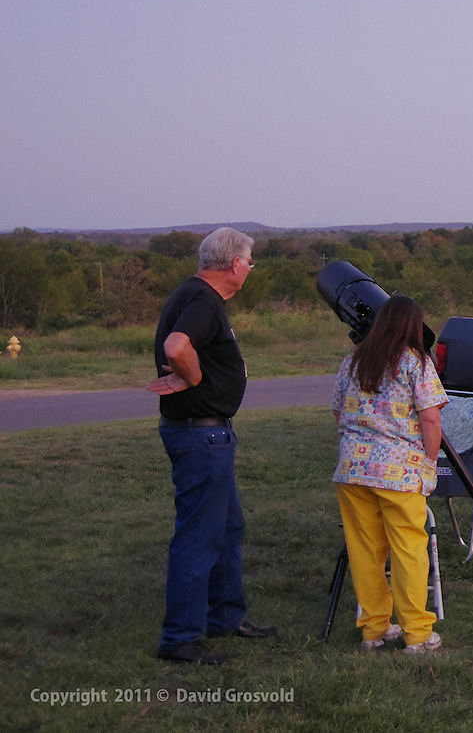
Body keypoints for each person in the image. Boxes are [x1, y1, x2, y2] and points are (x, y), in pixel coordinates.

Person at [149, 227, 275, 665]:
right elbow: (176, 345)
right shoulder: (203, 300)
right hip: (200, 434)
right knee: (200, 535)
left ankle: (225, 616)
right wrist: (197, 377)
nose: (249, 269)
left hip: (204, 432)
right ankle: (180, 638)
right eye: (250, 262)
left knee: (226, 528)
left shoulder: (193, 294)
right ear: (235, 264)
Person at [331, 294, 448, 654]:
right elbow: (431, 418)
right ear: (413, 326)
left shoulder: (353, 361)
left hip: (353, 470)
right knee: (409, 550)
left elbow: (337, 411)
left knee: (365, 551)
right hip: (399, 472)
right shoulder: (416, 363)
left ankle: (374, 629)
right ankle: (416, 633)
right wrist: (429, 463)